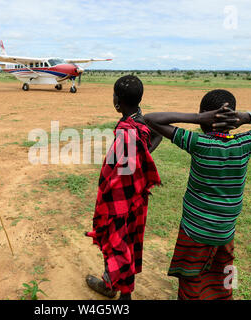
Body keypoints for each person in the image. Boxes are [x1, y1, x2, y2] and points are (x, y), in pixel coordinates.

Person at [143, 89, 251, 300]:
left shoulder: (199, 143)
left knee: (191, 278)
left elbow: (150, 119)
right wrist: (246, 118)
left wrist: (197, 118)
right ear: (234, 118)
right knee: (222, 274)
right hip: (226, 230)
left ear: (204, 116)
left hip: (195, 230)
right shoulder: (245, 143)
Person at [85, 75, 162, 300]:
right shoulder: (141, 122)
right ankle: (113, 284)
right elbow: (157, 136)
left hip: (119, 201)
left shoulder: (126, 130)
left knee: (117, 241)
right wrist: (143, 153)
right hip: (136, 197)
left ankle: (119, 292)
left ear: (117, 101)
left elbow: (117, 170)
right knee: (127, 240)